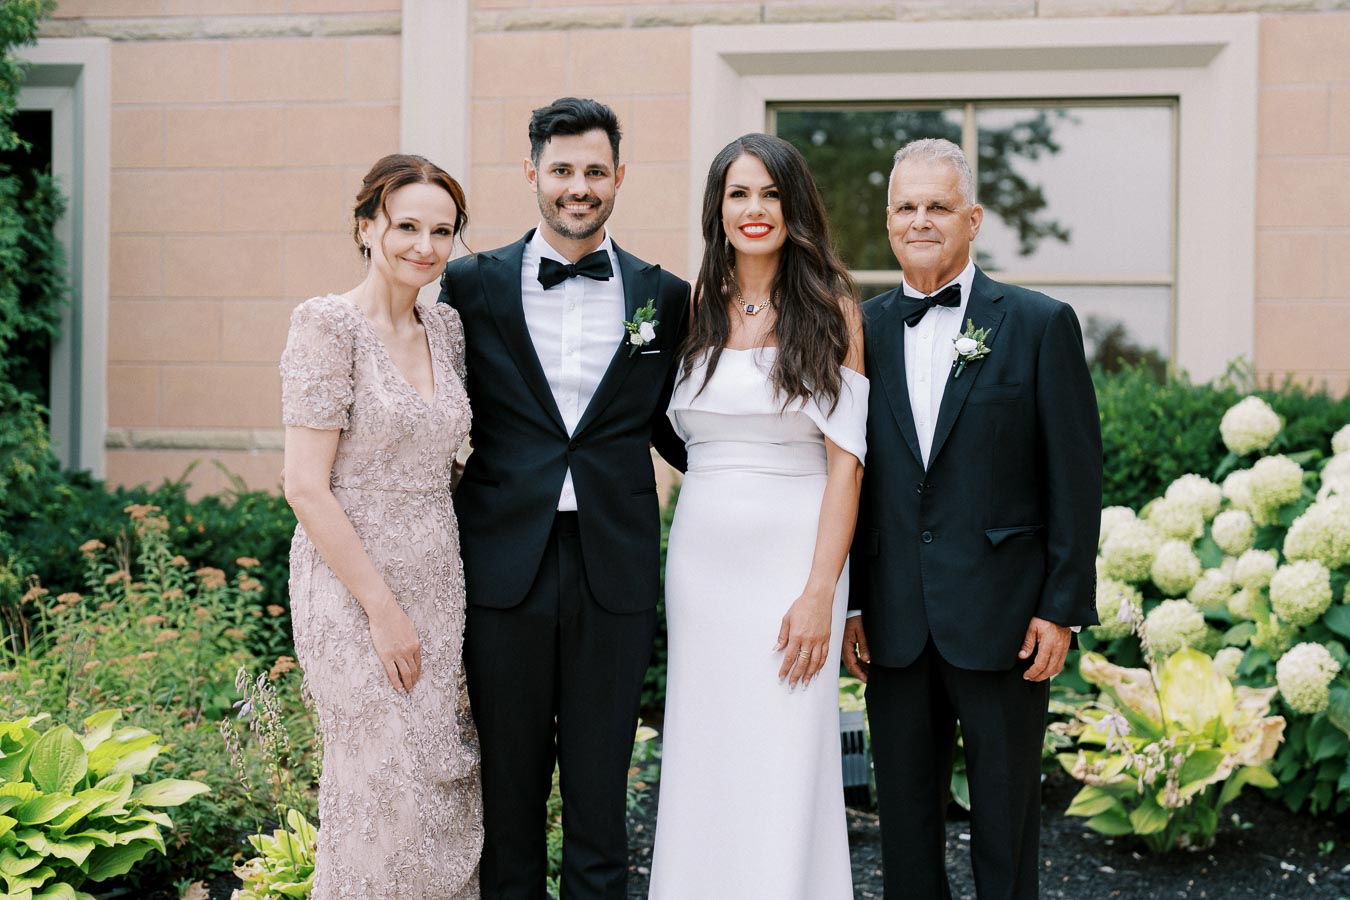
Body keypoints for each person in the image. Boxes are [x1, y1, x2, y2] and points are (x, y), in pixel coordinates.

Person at [438, 97, 690, 900]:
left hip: (613, 566)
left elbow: (680, 426)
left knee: (600, 795)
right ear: (531, 174)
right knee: (508, 795)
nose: (578, 187)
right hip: (503, 564)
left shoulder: (666, 296)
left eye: (594, 171)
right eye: (562, 170)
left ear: (619, 176)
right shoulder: (468, 285)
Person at [843, 137, 1102, 899]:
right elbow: (844, 475)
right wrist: (851, 602)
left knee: (1005, 829)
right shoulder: (856, 330)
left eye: (938, 206)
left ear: (974, 218)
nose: (920, 221)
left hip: (1005, 620)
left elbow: (1075, 476)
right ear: (888, 219)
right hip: (892, 621)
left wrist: (1060, 607)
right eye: (906, 207)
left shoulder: (1039, 323)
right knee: (904, 831)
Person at [648, 132, 866, 899]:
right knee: (707, 742)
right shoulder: (691, 308)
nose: (755, 208)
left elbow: (847, 464)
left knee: (785, 746)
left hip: (794, 562)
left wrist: (820, 592)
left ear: (794, 205)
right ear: (718, 207)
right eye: (739, 193)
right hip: (702, 562)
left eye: (770, 193)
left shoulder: (833, 311)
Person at [280, 154, 481, 899]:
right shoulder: (326, 325)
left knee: (438, 779)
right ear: (367, 227)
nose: (424, 246)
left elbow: (446, 459)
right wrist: (382, 609)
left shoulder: (446, 328)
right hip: (351, 584)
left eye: (442, 231)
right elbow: (305, 486)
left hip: (438, 576)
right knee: (379, 783)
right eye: (406, 227)